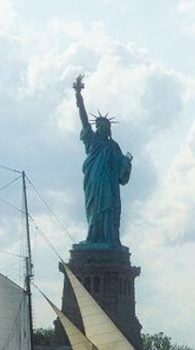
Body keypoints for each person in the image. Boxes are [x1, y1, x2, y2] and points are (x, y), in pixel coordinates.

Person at [73, 74, 132, 248]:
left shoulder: (113, 146)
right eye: (98, 125)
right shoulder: (92, 139)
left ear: (108, 129)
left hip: (109, 185)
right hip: (94, 182)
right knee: (94, 210)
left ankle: (109, 239)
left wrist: (127, 162)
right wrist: (78, 96)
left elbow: (121, 173)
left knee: (109, 210)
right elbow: (84, 119)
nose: (101, 128)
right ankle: (93, 238)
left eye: (104, 126)